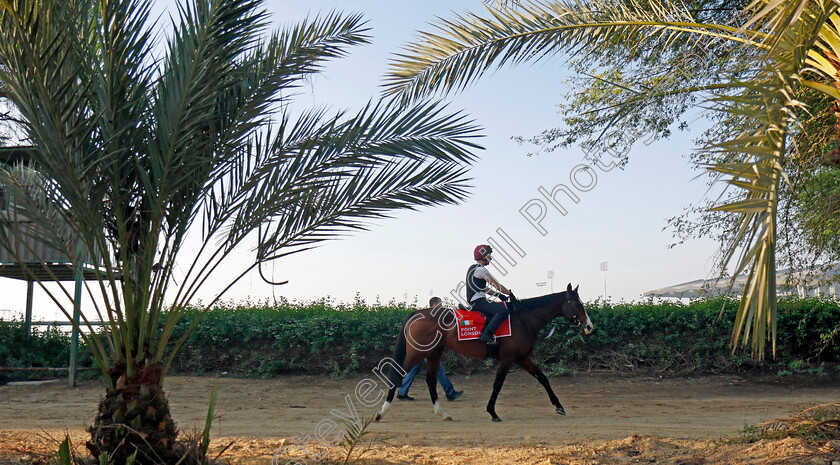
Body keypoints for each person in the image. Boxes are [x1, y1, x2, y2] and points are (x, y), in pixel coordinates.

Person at [397, 297, 464, 401]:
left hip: (421, 349)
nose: (441, 307)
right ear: (434, 305)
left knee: (414, 369)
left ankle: (402, 392)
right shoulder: (431, 318)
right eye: (440, 305)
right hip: (427, 350)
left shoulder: (427, 317)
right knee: (438, 370)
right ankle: (450, 393)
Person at [466, 244, 511, 343]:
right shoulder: (481, 270)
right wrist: (509, 293)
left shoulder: (473, 268)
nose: (490, 258)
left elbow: (484, 289)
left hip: (476, 300)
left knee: (493, 313)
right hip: (478, 302)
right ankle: (487, 334)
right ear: (483, 256)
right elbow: (497, 285)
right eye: (489, 255)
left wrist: (498, 295)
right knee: (503, 310)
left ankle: (484, 336)